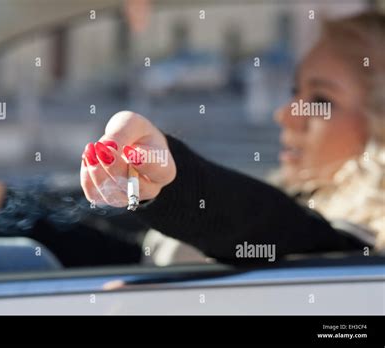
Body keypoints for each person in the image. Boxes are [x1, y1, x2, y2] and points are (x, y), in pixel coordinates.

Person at [80, 12, 385, 261]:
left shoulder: (356, 245)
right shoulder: (299, 198)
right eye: (295, 92)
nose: (286, 115)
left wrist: (171, 179)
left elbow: (268, 223)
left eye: (320, 101)